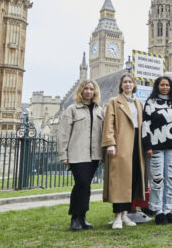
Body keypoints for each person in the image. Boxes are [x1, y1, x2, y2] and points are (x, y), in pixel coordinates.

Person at [57, 80, 103, 231]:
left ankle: (83, 217)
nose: (89, 91)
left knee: (86, 186)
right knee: (81, 183)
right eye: (86, 89)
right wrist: (64, 154)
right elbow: (63, 133)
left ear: (95, 92)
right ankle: (75, 218)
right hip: (77, 153)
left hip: (94, 155)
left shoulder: (99, 110)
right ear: (81, 91)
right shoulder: (72, 109)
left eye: (91, 89)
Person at [102, 73, 146, 229]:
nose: (128, 84)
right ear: (121, 85)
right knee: (119, 182)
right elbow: (109, 124)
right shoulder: (114, 102)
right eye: (125, 82)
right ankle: (117, 217)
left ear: (134, 85)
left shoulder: (138, 103)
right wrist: (110, 144)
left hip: (136, 144)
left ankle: (126, 215)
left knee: (131, 180)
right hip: (121, 143)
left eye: (130, 82)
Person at [142, 76, 172, 225]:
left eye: (167, 85)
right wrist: (147, 146)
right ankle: (158, 210)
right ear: (157, 86)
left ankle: (168, 210)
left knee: (171, 180)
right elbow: (145, 125)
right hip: (155, 147)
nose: (165, 87)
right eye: (162, 85)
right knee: (157, 179)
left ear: (170, 86)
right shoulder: (150, 103)